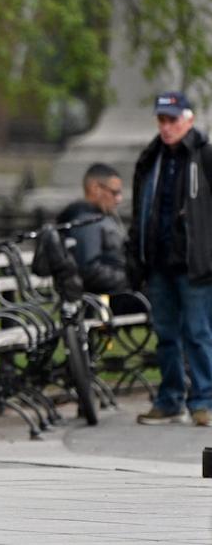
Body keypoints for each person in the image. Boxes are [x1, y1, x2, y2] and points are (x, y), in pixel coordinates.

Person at [127, 91, 212, 427]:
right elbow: (140, 211)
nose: (166, 127)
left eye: (172, 119)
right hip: (159, 263)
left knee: (197, 333)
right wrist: (137, 256)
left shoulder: (204, 156)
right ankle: (170, 398)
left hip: (195, 266)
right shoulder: (151, 159)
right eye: (161, 120)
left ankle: (204, 400)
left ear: (188, 120)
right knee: (165, 334)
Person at [56, 163, 130, 294]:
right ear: (95, 188)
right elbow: (90, 271)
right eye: (114, 192)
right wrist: (132, 279)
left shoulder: (100, 218)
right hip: (109, 298)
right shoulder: (86, 223)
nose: (119, 199)